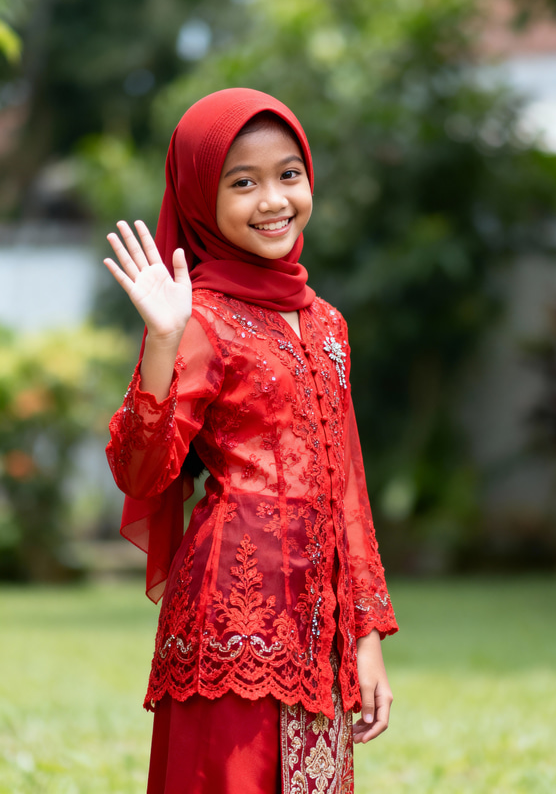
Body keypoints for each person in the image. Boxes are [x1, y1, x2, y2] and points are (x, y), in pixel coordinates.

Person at [104, 88, 398, 794]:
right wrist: (163, 340)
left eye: (288, 174)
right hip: (228, 628)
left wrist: (366, 639)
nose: (273, 199)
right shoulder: (196, 315)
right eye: (243, 182)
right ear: (204, 197)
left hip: (320, 631)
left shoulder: (328, 323)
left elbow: (347, 488)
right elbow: (143, 472)